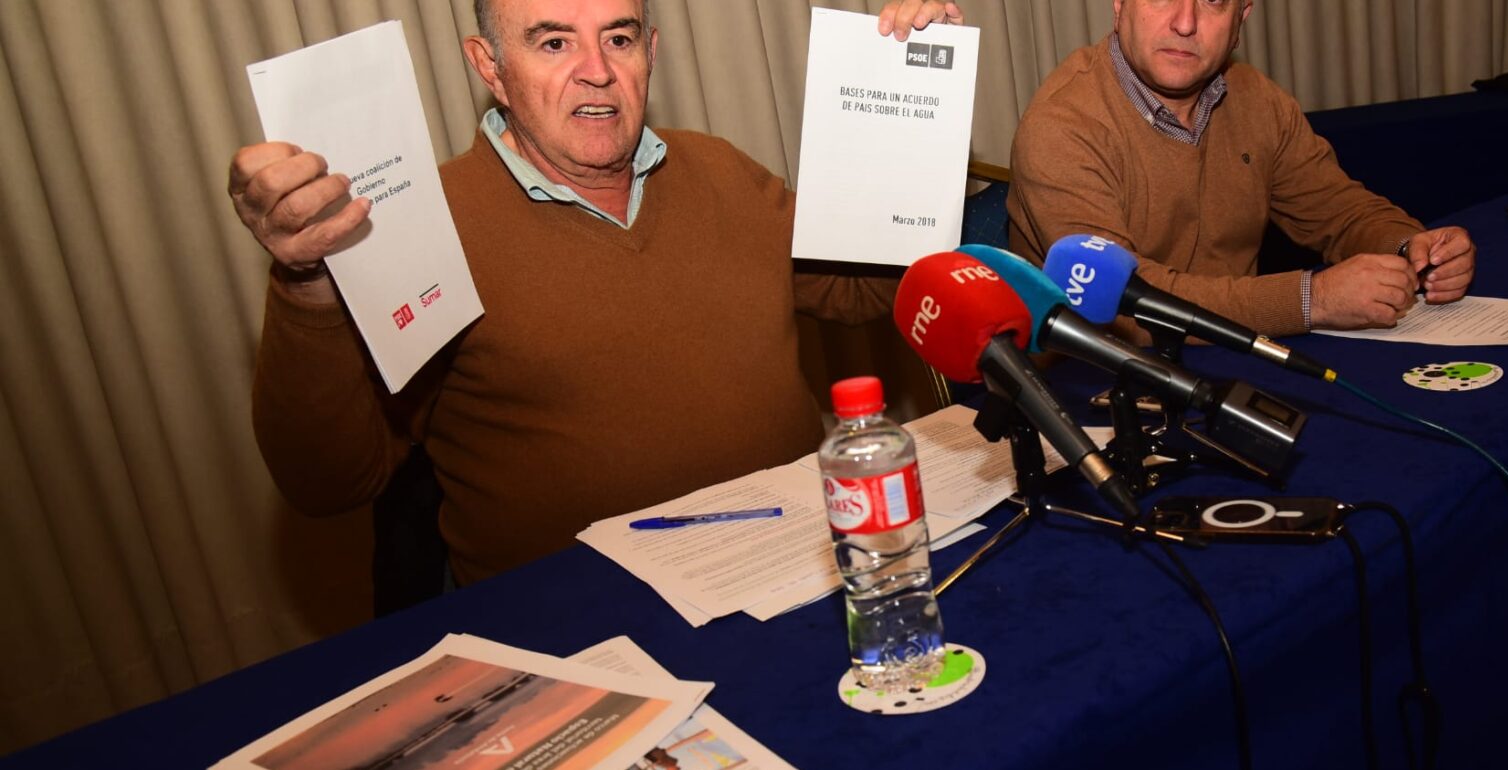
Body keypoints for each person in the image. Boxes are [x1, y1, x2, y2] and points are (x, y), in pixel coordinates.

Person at [228, 0, 965, 584]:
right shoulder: (424, 228)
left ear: (651, 48)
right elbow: (330, 481)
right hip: (590, 633)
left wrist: (913, 107)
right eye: (553, 43)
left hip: (802, 573)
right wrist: (306, 283)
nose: (595, 70)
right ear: (490, 65)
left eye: (617, 38)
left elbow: (865, 289)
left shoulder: (719, 171)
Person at [1005, 0, 1476, 340]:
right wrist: (1313, 301)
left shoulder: (1256, 97)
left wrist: (1411, 248)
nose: (1185, 22)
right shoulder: (1061, 125)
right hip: (1086, 390)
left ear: (1241, 19)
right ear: (1119, 3)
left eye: (1213, 2)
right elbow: (1129, 304)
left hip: (1233, 360)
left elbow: (1340, 210)